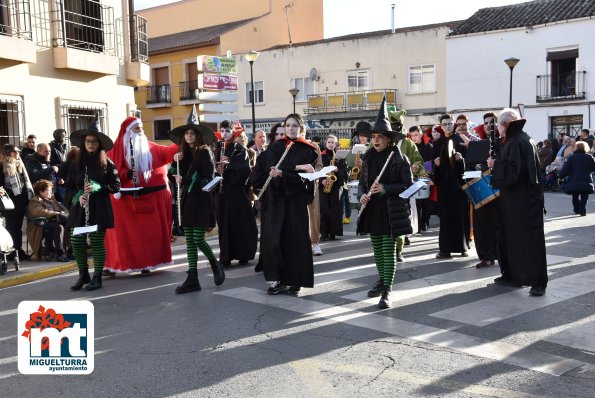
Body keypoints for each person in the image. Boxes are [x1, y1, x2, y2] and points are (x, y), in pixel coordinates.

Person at [357, 98, 413, 309]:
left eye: (380, 137)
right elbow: (363, 184)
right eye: (373, 137)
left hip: (391, 210)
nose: (376, 140)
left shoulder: (399, 159)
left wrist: (387, 189)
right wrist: (362, 195)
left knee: (389, 250)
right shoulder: (368, 158)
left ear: (389, 139)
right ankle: (382, 280)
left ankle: (387, 290)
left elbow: (408, 185)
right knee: (377, 249)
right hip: (372, 209)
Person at [104, 116, 178, 274]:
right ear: (128, 131)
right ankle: (117, 264)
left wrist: (182, 142)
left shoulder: (151, 147)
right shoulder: (114, 152)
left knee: (149, 237)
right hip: (124, 204)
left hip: (152, 200)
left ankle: (148, 264)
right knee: (124, 239)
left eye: (141, 128)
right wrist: (127, 174)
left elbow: (167, 152)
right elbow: (111, 173)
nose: (140, 131)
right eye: (137, 128)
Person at [489, 108, 547, 296]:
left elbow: (514, 173)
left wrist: (494, 165)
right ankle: (513, 275)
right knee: (510, 238)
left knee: (530, 241)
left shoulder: (517, 141)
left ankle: (538, 282)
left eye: (498, 125)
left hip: (524, 201)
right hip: (515, 201)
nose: (497, 128)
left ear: (505, 125)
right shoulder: (518, 138)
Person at [170, 107, 225, 293]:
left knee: (197, 238)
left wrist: (186, 179)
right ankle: (192, 278)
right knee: (190, 241)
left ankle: (215, 264)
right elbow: (174, 175)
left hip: (200, 199)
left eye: (192, 133)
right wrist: (173, 162)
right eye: (187, 133)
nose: (189, 136)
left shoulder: (205, 152)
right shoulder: (181, 154)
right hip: (187, 200)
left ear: (198, 135)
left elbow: (208, 176)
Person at [262, 113, 318, 295]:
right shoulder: (277, 147)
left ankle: (297, 280)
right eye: (288, 125)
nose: (291, 129)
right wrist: (297, 168)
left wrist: (285, 173)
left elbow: (304, 178)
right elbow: (272, 168)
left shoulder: (309, 150)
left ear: (301, 128)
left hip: (296, 200)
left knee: (297, 241)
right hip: (277, 199)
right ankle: (279, 278)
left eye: (294, 126)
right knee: (276, 240)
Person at [66, 115, 120, 291]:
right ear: (83, 143)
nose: (91, 144)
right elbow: (68, 187)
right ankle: (83, 274)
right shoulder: (75, 164)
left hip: (99, 208)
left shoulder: (108, 164)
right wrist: (77, 196)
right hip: (80, 208)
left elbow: (116, 186)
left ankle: (97, 277)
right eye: (88, 141)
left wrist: (100, 187)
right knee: (76, 241)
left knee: (96, 243)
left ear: (99, 145)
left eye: (94, 142)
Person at [216, 120, 258, 266]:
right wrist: (217, 169)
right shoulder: (216, 148)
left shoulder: (240, 150)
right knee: (224, 224)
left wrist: (228, 166)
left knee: (239, 224)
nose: (225, 133)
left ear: (233, 132)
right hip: (222, 193)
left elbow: (244, 171)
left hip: (236, 193)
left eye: (228, 131)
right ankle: (225, 256)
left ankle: (243, 254)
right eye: (222, 130)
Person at [433, 114, 468, 258]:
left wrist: (461, 160)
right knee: (446, 217)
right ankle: (445, 249)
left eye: (450, 123)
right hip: (444, 185)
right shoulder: (437, 143)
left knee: (460, 215)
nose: (448, 126)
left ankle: (462, 247)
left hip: (458, 184)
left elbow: (469, 161)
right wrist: (436, 164)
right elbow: (430, 164)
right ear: (441, 127)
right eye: (445, 124)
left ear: (454, 125)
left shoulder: (460, 140)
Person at [471, 112, 501, 269]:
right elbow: (470, 164)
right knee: (481, 224)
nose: (490, 125)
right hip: (481, 189)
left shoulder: (503, 143)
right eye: (486, 122)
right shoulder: (479, 143)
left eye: (492, 122)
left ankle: (500, 254)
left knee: (498, 224)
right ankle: (486, 256)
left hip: (500, 190)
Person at [0, 144, 33, 262]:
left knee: (17, 228)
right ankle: (12, 252)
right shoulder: (2, 166)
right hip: (10, 203)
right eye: (15, 152)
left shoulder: (19, 165)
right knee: (12, 228)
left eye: (18, 151)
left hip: (20, 202)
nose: (18, 154)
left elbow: (25, 183)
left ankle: (18, 251)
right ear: (8, 153)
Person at [26, 179, 69, 261]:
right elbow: (40, 212)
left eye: (51, 190)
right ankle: (59, 253)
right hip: (39, 224)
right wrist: (55, 213)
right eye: (49, 190)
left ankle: (70, 250)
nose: (51, 192)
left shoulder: (52, 199)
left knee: (68, 224)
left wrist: (64, 212)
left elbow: (62, 209)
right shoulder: (34, 201)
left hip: (54, 221)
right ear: (41, 192)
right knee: (58, 227)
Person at [319, 134, 347, 240]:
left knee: (335, 210)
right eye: (329, 142)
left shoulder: (341, 156)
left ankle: (333, 233)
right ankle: (324, 233)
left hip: (336, 186)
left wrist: (337, 170)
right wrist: (322, 181)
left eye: (333, 142)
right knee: (324, 209)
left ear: (336, 144)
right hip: (324, 186)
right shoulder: (321, 155)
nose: (331, 144)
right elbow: (317, 170)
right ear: (326, 143)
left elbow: (345, 172)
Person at [559, 141, 595, 216]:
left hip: (574, 180)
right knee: (584, 196)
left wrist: (560, 176)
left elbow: (566, 168)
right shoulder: (590, 157)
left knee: (575, 196)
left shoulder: (572, 157)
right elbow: (593, 169)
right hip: (586, 180)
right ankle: (582, 210)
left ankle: (576, 209)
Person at [409, 125, 433, 233]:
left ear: (420, 134)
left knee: (427, 202)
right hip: (414, 178)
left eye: (416, 135)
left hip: (426, 177)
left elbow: (431, 163)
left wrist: (431, 177)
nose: (414, 138)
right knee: (416, 203)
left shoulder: (428, 146)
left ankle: (425, 222)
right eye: (412, 135)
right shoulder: (410, 148)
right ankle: (418, 225)